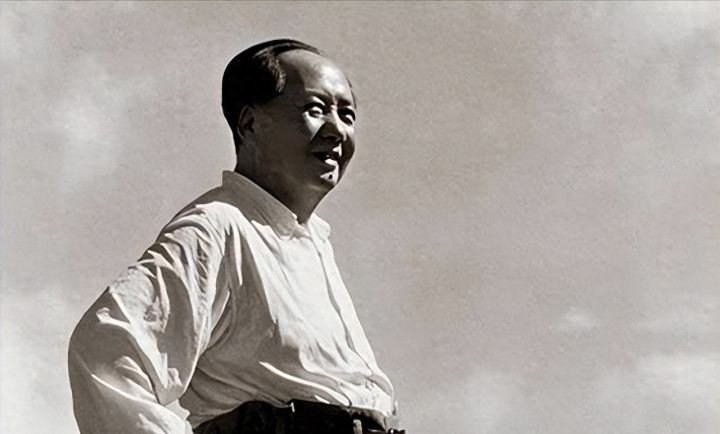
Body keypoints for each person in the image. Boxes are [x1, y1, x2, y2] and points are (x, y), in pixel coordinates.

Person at [68, 39, 403, 434]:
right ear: (249, 124)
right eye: (315, 110)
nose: (336, 130)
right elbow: (106, 349)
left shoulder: (313, 245)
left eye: (347, 115)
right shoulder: (216, 229)